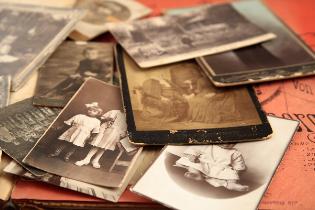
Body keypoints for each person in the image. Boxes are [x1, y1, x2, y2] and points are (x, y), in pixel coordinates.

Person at [43, 47, 111, 99]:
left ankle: (64, 91)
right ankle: (55, 89)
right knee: (70, 78)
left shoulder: (101, 63)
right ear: (84, 55)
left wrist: (92, 75)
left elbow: (104, 74)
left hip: (98, 78)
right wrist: (76, 74)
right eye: (87, 54)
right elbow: (79, 70)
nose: (90, 55)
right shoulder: (83, 62)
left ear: (97, 55)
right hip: (83, 77)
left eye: (93, 53)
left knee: (78, 82)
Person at [176, 144, 249, 192]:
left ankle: (231, 184)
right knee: (193, 163)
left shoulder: (235, 153)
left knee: (231, 173)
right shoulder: (209, 144)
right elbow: (194, 149)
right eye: (225, 140)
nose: (227, 144)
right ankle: (196, 174)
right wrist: (192, 156)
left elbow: (239, 165)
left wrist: (237, 171)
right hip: (203, 163)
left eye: (231, 142)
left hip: (220, 168)